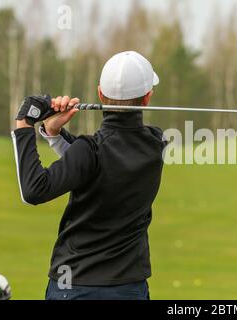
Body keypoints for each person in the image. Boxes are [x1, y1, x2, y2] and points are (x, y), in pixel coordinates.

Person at [11, 51, 166, 300]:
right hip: (129, 286)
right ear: (147, 98)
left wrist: (24, 125)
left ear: (100, 94)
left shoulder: (89, 150)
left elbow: (33, 191)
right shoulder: (156, 143)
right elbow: (96, 163)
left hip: (74, 285)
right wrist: (53, 132)